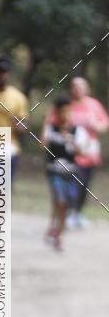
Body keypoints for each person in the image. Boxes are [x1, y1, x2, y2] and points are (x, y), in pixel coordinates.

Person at [43, 76, 109, 228]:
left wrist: (97, 126)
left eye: (81, 86)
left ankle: (77, 213)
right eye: (75, 86)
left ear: (87, 88)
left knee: (85, 185)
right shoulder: (66, 104)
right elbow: (52, 124)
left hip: (89, 152)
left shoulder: (94, 105)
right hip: (69, 155)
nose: (78, 89)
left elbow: (105, 125)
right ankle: (66, 213)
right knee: (71, 186)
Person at [41, 94, 91, 251]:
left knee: (66, 205)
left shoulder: (77, 131)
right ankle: (54, 227)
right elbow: (42, 144)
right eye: (62, 111)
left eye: (68, 111)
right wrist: (46, 121)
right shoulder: (51, 128)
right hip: (54, 171)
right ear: (57, 112)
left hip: (71, 173)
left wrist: (71, 141)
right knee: (60, 200)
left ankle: (57, 233)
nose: (65, 114)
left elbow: (82, 153)